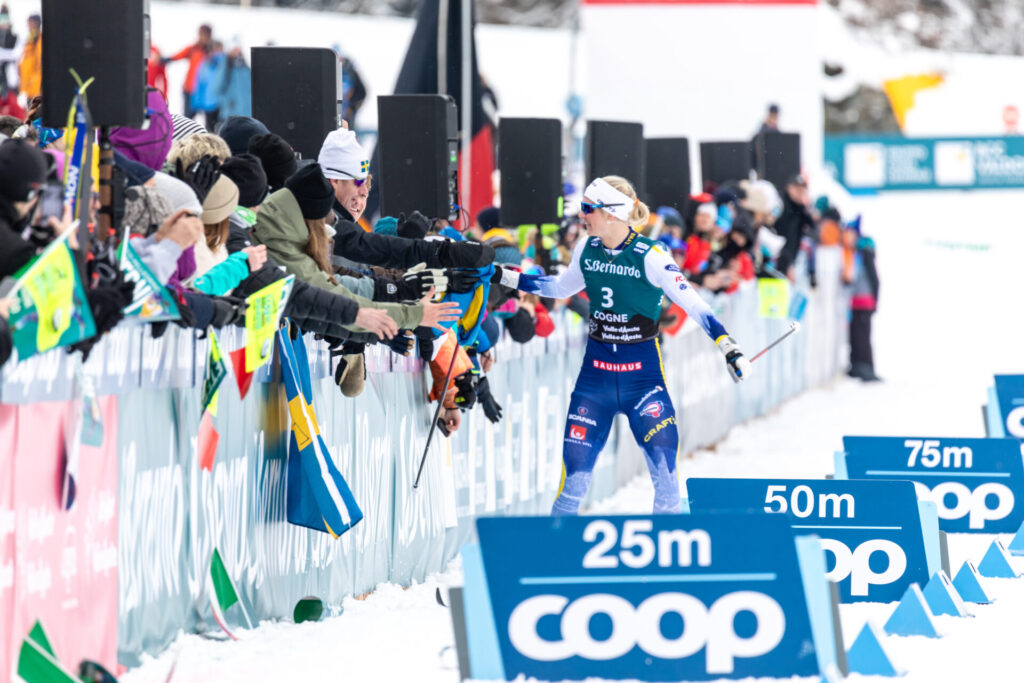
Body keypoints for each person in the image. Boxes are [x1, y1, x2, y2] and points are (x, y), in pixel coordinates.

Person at [491, 175, 752, 515]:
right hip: (594, 382)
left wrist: (729, 347)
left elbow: (693, 303)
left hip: (642, 381)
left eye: (589, 208)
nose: (583, 216)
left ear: (611, 214)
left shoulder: (652, 255)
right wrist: (502, 275)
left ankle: (667, 560)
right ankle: (552, 558)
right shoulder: (586, 249)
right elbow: (557, 288)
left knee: (666, 479)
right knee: (574, 484)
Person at [842, 216, 880, 382]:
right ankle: (857, 365)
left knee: (862, 336)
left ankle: (866, 368)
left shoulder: (864, 253)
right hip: (856, 302)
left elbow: (875, 279)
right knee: (855, 335)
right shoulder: (854, 253)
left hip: (864, 302)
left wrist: (875, 301)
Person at [165, 24, 213, 119]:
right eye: (201, 34)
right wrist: (162, 60)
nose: (202, 37)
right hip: (190, 89)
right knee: (188, 118)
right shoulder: (193, 49)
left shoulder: (212, 51)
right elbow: (176, 56)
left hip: (207, 91)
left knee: (210, 121)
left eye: (205, 35)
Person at [17, 14, 41, 103]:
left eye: (29, 23)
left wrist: (34, 79)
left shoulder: (39, 40)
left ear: (36, 23)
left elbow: (40, 63)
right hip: (29, 88)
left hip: (36, 87)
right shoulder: (30, 40)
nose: (28, 26)